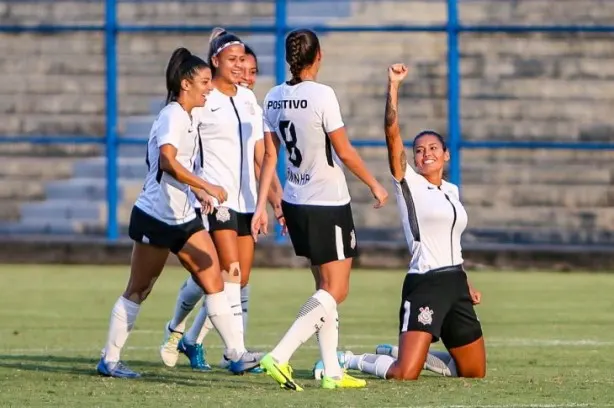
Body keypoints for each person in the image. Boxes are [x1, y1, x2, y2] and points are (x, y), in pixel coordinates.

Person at [96, 47, 260, 378]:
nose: (208, 87)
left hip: (184, 217)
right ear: (186, 84)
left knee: (214, 280)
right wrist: (208, 185)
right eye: (203, 82)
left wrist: (199, 192)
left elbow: (180, 166)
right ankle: (109, 360)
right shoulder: (172, 115)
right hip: (155, 217)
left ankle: (236, 353)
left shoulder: (189, 116)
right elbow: (168, 162)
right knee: (139, 289)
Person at [250, 28, 389, 391]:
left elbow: (269, 157)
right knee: (336, 290)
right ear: (319, 56)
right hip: (328, 203)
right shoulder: (322, 95)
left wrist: (262, 206)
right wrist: (374, 184)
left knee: (323, 288)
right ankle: (279, 355)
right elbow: (343, 151)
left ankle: (331, 370)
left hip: (296, 203)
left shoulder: (274, 96)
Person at [334, 63, 486, 381]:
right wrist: (393, 86)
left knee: (473, 372)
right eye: (419, 150)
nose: (425, 154)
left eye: (433, 148)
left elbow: (450, 241)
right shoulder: (409, 183)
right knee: (405, 374)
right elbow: (391, 132)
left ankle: (414, 354)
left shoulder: (452, 190)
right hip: (426, 284)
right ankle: (351, 360)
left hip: (455, 282)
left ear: (446, 155)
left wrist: (464, 279)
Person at [159, 30, 282, 372]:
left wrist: (272, 201)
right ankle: (236, 354)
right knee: (230, 273)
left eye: (243, 59)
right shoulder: (204, 98)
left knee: (231, 282)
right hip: (216, 201)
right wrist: (199, 188)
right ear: (215, 62)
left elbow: (261, 156)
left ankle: (184, 335)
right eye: (232, 59)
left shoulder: (247, 100)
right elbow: (180, 147)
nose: (240, 65)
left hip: (245, 202)